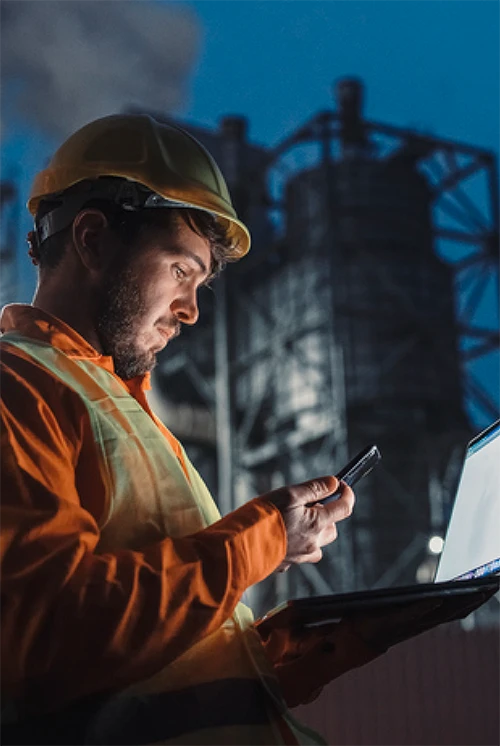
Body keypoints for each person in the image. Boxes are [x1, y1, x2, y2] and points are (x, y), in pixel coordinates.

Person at [0, 114, 380, 746]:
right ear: (92, 239)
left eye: (200, 284)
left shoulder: (117, 403)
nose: (192, 310)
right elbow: (46, 637)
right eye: (181, 269)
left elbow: (146, 669)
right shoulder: (21, 387)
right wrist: (258, 540)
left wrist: (293, 649)